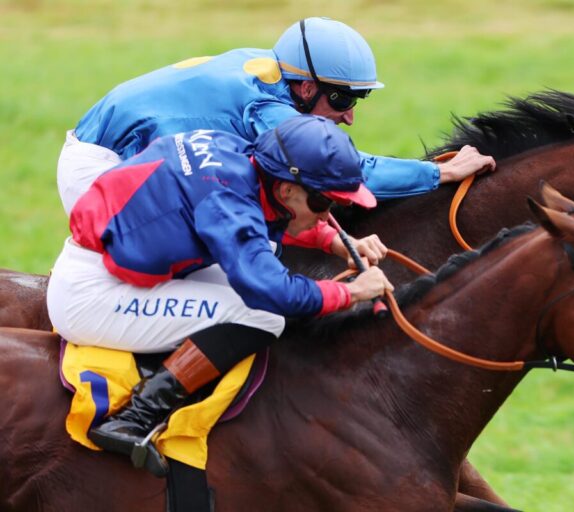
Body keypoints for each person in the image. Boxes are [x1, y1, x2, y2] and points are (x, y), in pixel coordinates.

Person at [47, 114, 394, 476]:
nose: (328, 214)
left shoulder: (237, 156)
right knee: (263, 316)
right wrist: (351, 292)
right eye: (323, 204)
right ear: (287, 190)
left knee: (257, 282)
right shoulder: (227, 200)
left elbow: (256, 220)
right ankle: (134, 417)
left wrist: (331, 240)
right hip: (91, 295)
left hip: (105, 263)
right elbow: (273, 291)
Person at [57, 16, 496, 215]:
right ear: (306, 87)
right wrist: (439, 174)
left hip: (120, 151)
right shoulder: (267, 108)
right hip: (101, 169)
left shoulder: (275, 66)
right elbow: (348, 172)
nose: (348, 118)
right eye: (342, 101)